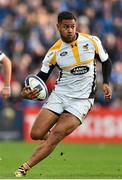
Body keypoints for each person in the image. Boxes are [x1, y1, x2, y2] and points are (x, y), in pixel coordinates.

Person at [15, 11, 112, 177]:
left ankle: (24, 167)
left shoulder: (92, 41)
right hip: (59, 95)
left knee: (56, 135)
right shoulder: (54, 52)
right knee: (36, 134)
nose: (70, 30)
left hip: (82, 100)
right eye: (66, 27)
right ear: (58, 27)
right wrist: (27, 92)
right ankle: (52, 139)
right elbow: (41, 78)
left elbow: (106, 61)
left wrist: (106, 83)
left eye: (73, 26)